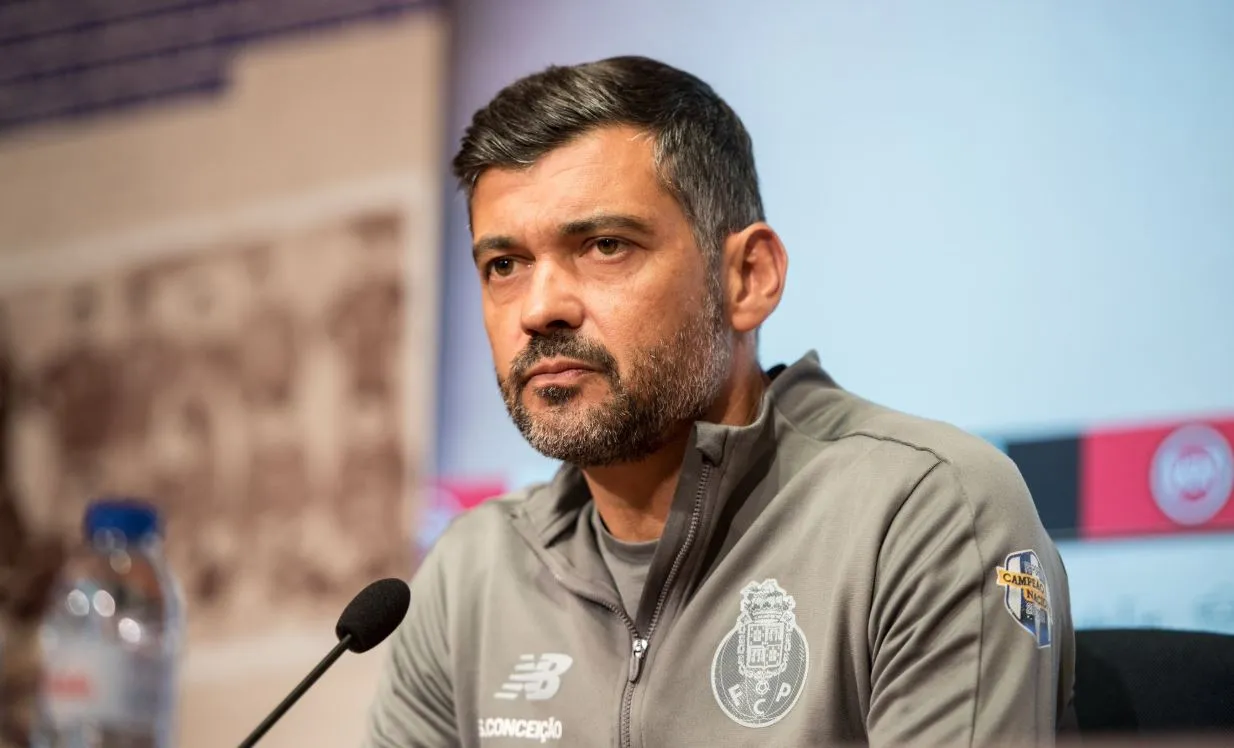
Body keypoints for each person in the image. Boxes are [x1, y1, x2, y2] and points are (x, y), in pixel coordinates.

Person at [365, 55, 1074, 747]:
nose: (540, 307)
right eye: (505, 266)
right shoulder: (472, 575)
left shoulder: (923, 510)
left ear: (747, 278)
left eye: (606, 245)